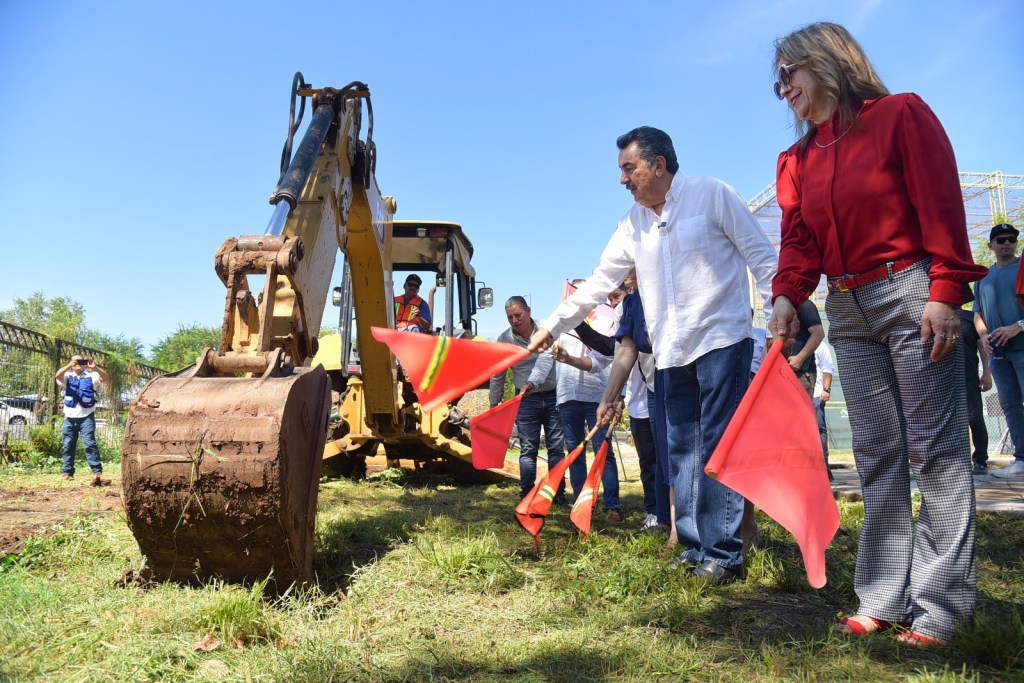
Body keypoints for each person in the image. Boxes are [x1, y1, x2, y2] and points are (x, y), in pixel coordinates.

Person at [767, 22, 987, 646]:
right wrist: (787, 295)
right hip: (847, 306)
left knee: (935, 449)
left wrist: (946, 293)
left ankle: (942, 606)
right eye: (776, 80)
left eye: (790, 73)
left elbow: (941, 205)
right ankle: (884, 597)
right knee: (878, 454)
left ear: (826, 61)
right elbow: (799, 240)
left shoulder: (899, 116)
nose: (783, 88)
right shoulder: (798, 159)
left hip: (911, 290)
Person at [530, 125, 777, 585]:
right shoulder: (632, 224)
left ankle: (724, 555)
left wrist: (779, 306)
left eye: (629, 168)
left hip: (722, 339)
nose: (622, 179)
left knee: (719, 442)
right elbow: (600, 283)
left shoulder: (713, 195)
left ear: (658, 165)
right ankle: (693, 546)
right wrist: (551, 326)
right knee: (682, 447)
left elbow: (762, 256)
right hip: (670, 349)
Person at [550, 280, 620, 520]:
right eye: (573, 293)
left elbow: (613, 358)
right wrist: (534, 381)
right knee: (575, 452)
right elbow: (546, 356)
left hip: (596, 396)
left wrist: (616, 395)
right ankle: (582, 503)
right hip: (568, 396)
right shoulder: (562, 321)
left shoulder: (606, 317)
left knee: (603, 451)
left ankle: (612, 505)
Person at [488, 296, 565, 500]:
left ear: (528, 311)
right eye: (510, 317)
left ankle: (558, 495)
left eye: (518, 315)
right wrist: (494, 404)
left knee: (556, 448)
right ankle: (527, 496)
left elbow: (551, 356)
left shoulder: (546, 329)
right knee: (528, 449)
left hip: (553, 395)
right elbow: (498, 373)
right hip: (525, 401)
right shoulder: (504, 340)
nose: (515, 320)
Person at [973, 223, 1024, 480]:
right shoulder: (983, 277)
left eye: (1012, 239)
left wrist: (1018, 326)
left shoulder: (1022, 269)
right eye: (1001, 239)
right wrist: (983, 335)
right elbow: (977, 314)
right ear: (990, 245)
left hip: (1022, 347)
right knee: (1010, 404)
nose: (1007, 243)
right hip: (998, 353)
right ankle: (1022, 459)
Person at [55, 354, 109, 485]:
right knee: (68, 445)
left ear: (85, 363)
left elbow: (106, 378)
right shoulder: (67, 375)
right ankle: (67, 473)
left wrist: (96, 368)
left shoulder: (92, 375)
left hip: (86, 417)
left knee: (90, 444)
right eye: (75, 361)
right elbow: (57, 376)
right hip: (69, 417)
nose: (78, 363)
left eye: (81, 361)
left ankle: (98, 473)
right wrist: (69, 365)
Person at [960, 307, 992, 475]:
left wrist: (987, 372)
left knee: (975, 420)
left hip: (969, 378)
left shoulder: (971, 318)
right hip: (944, 379)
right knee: (954, 424)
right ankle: (959, 463)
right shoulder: (934, 315)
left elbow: (982, 346)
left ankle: (980, 461)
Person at [789, 300, 825, 398]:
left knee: (799, 411)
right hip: (781, 371)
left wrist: (799, 358)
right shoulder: (777, 305)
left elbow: (819, 333)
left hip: (800, 373)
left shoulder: (804, 304)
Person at [812, 343, 835, 480]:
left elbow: (827, 368)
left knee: (819, 428)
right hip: (797, 393)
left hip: (816, 394)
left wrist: (826, 390)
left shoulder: (820, 345)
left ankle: (824, 466)